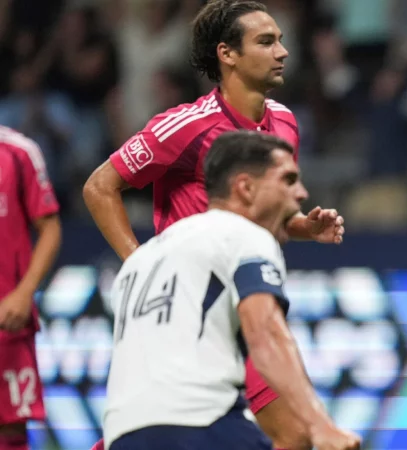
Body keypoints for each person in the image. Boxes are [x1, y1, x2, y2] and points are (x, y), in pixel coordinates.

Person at [83, 1, 344, 448]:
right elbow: (98, 187)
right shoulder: (185, 126)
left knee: (295, 437)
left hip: (247, 306)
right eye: (266, 41)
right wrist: (142, 263)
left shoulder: (283, 122)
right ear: (227, 54)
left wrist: (303, 226)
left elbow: (270, 216)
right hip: (191, 314)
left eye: (280, 39)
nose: (283, 51)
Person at [103, 131, 360, 450]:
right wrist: (321, 425)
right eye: (288, 180)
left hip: (122, 434)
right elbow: (267, 335)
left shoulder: (142, 259)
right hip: (199, 424)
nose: (301, 193)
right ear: (246, 188)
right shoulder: (243, 234)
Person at [0, 126, 62, 450]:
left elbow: (50, 227)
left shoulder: (19, 151)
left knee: (10, 431)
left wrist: (24, 293)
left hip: (7, 319)